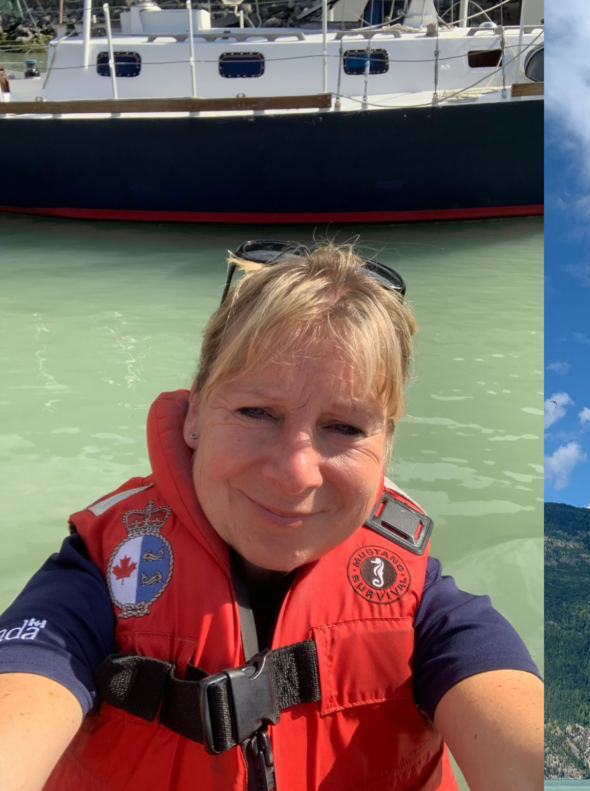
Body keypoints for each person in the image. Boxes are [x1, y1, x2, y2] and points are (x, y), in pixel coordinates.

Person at [0, 242, 543, 791]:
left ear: (386, 448)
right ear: (194, 415)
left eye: (346, 428)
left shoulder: (429, 610)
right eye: (256, 412)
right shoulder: (94, 579)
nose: (295, 472)